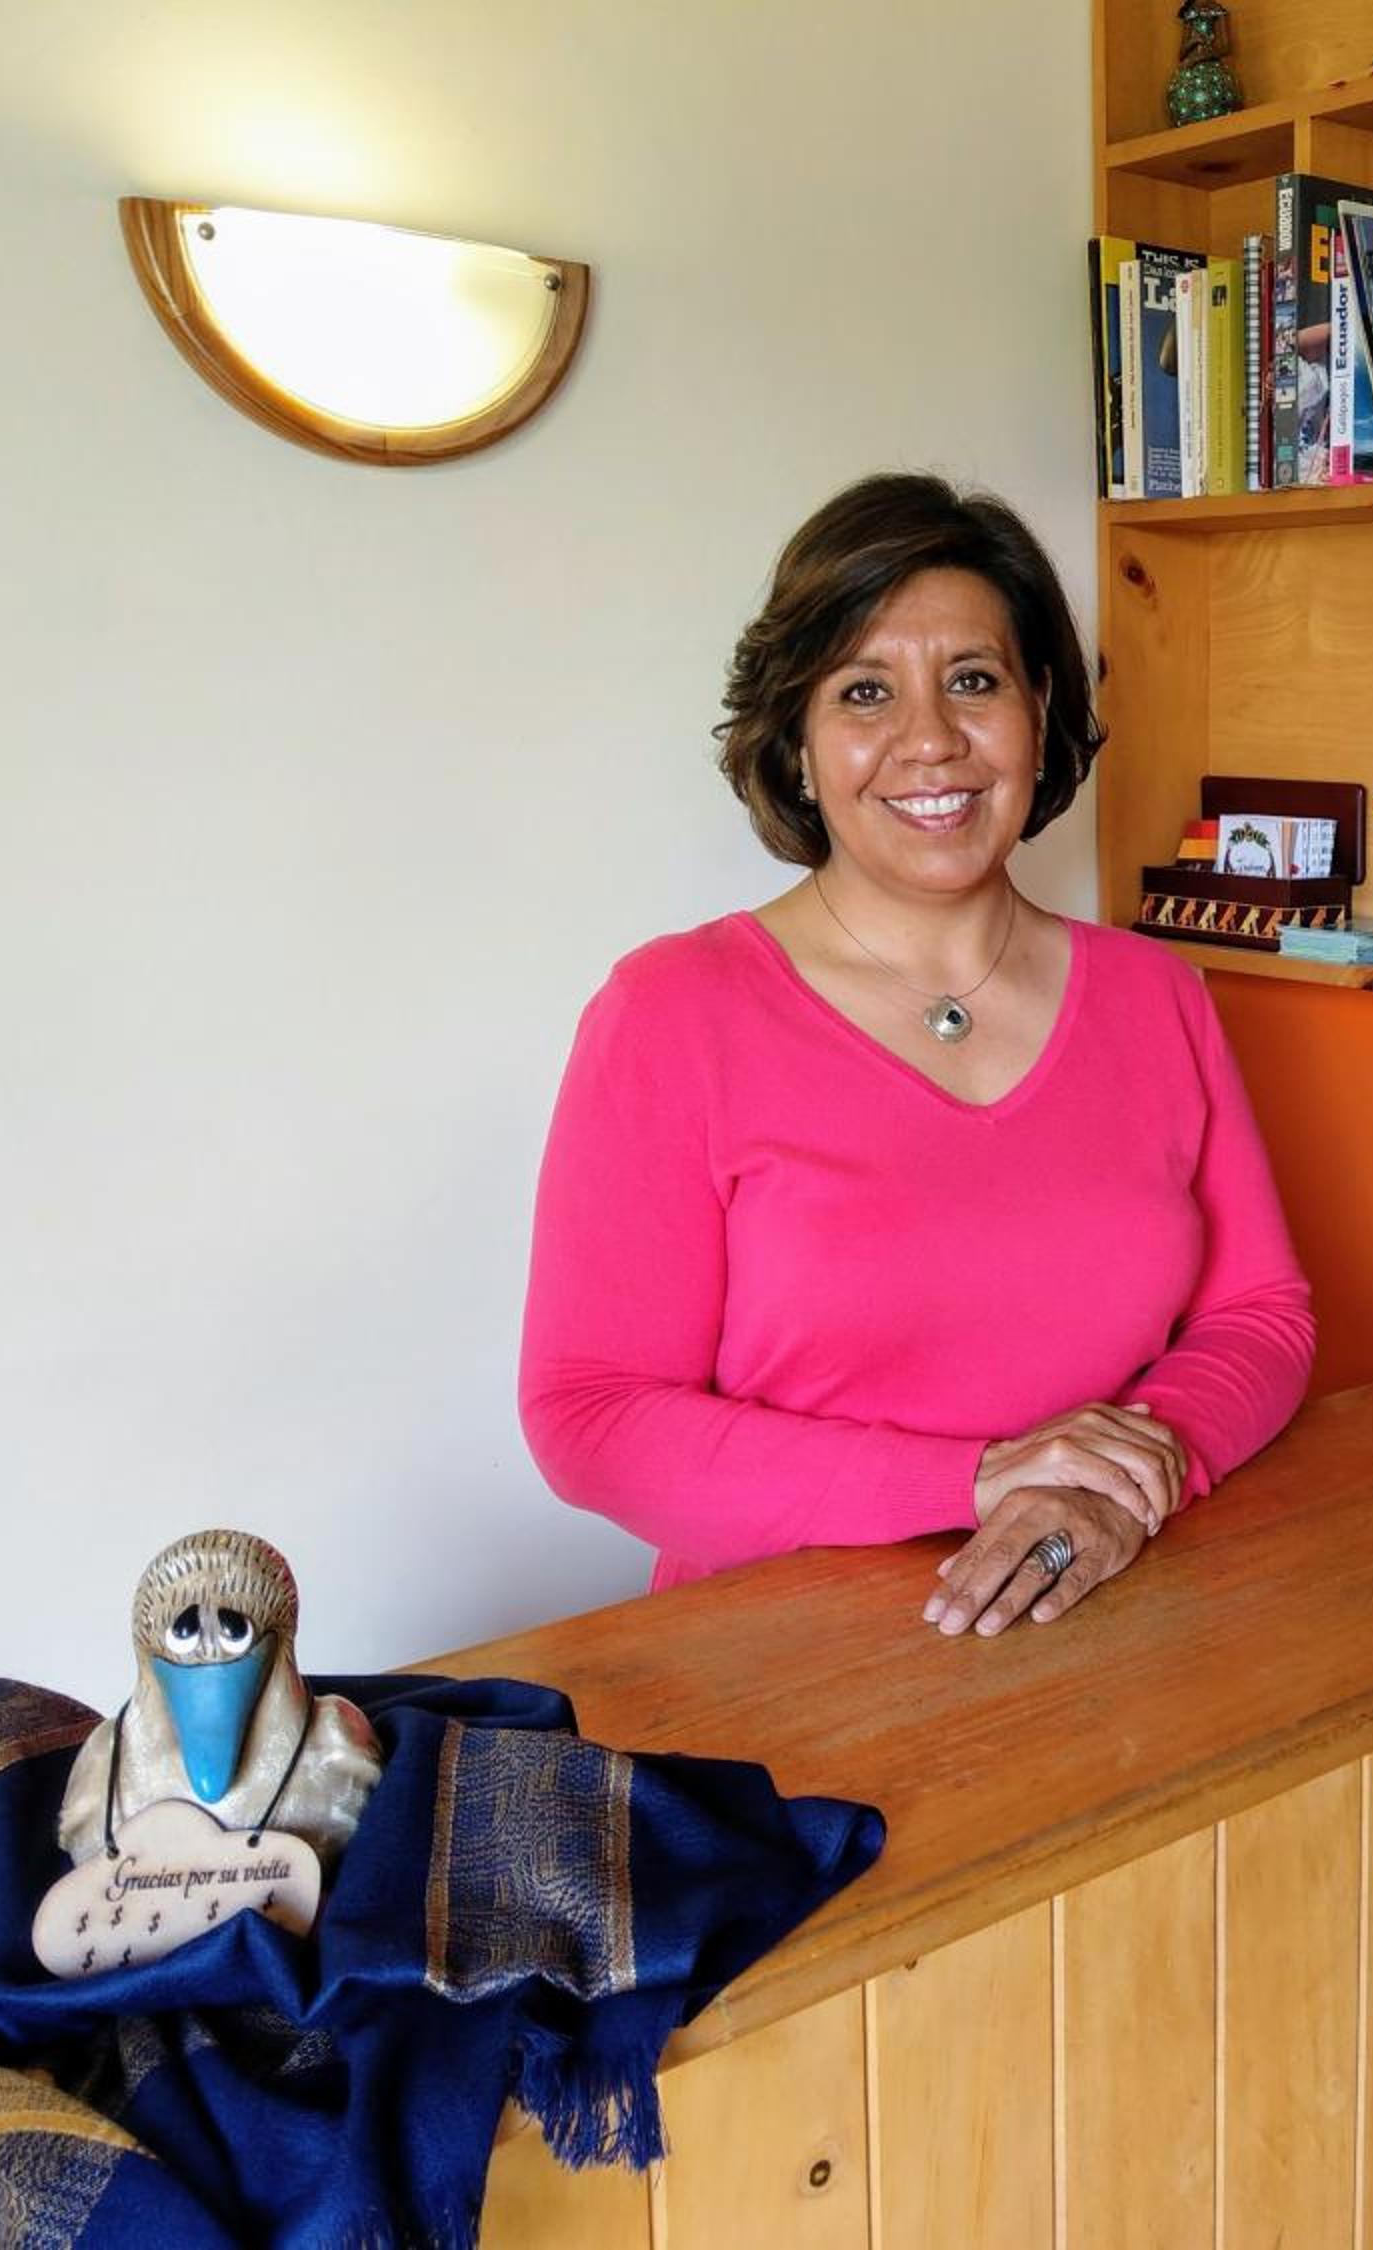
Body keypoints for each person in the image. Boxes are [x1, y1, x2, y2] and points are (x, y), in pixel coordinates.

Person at [520, 473, 1315, 1638]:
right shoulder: (673, 1013)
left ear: (1040, 709)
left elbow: (1260, 1314)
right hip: (784, 1672)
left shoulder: (1159, 997)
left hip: (1126, 1629)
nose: (932, 739)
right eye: (865, 691)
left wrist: (1122, 1482)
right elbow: (590, 1415)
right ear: (798, 740)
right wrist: (980, 1481)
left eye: (974, 681)